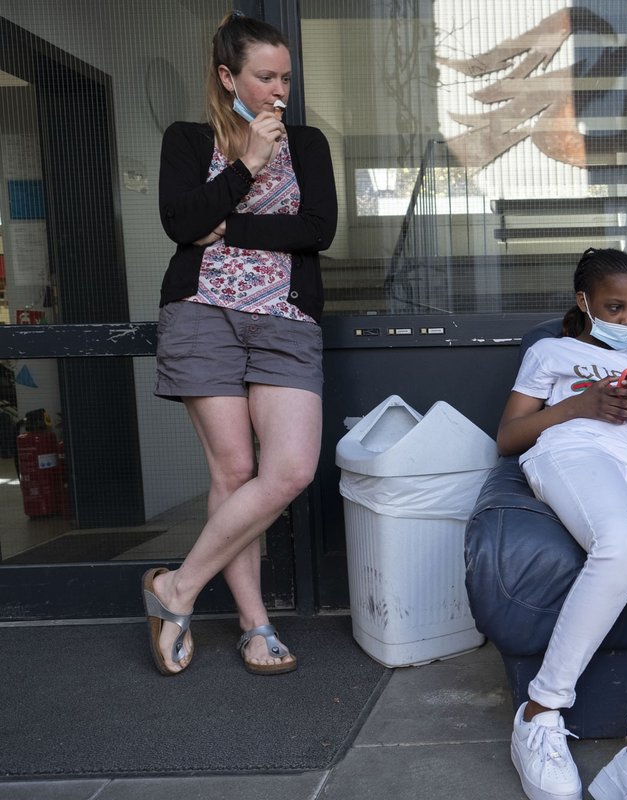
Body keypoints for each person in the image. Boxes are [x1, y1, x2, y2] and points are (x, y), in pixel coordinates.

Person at [143, 11, 336, 676]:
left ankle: (178, 588)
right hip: (203, 314)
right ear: (228, 76)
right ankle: (255, 625)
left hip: (284, 318)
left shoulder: (308, 144)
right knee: (232, 472)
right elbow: (181, 223)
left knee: (289, 471)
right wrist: (248, 164)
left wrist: (231, 229)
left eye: (285, 76)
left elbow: (317, 229)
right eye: (263, 76)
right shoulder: (189, 139)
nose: (278, 88)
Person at [497, 248, 627, 800]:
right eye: (613, 308)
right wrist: (583, 404)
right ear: (583, 301)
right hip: (569, 451)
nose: (626, 322)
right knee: (624, 548)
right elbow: (509, 438)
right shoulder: (549, 352)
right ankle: (540, 714)